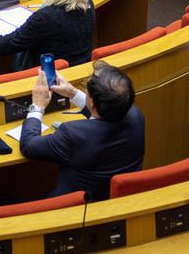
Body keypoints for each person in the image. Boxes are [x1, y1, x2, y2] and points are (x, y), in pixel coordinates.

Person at [20, 62, 145, 201]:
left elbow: (28, 146)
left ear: (91, 101)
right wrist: (73, 93)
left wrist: (37, 106)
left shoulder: (73, 133)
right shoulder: (136, 116)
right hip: (118, 201)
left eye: (86, 85)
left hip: (74, 210)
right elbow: (102, 115)